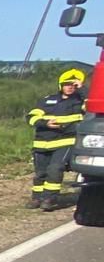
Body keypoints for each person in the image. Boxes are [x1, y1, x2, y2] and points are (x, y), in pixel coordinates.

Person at [27, 68, 87, 211]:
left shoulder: (80, 102)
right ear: (61, 85)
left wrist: (83, 89)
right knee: (41, 173)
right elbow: (31, 117)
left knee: (55, 169)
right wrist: (44, 123)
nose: (70, 87)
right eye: (67, 84)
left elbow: (93, 104)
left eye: (74, 84)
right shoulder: (47, 100)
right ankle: (37, 198)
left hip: (65, 142)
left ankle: (49, 199)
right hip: (42, 142)